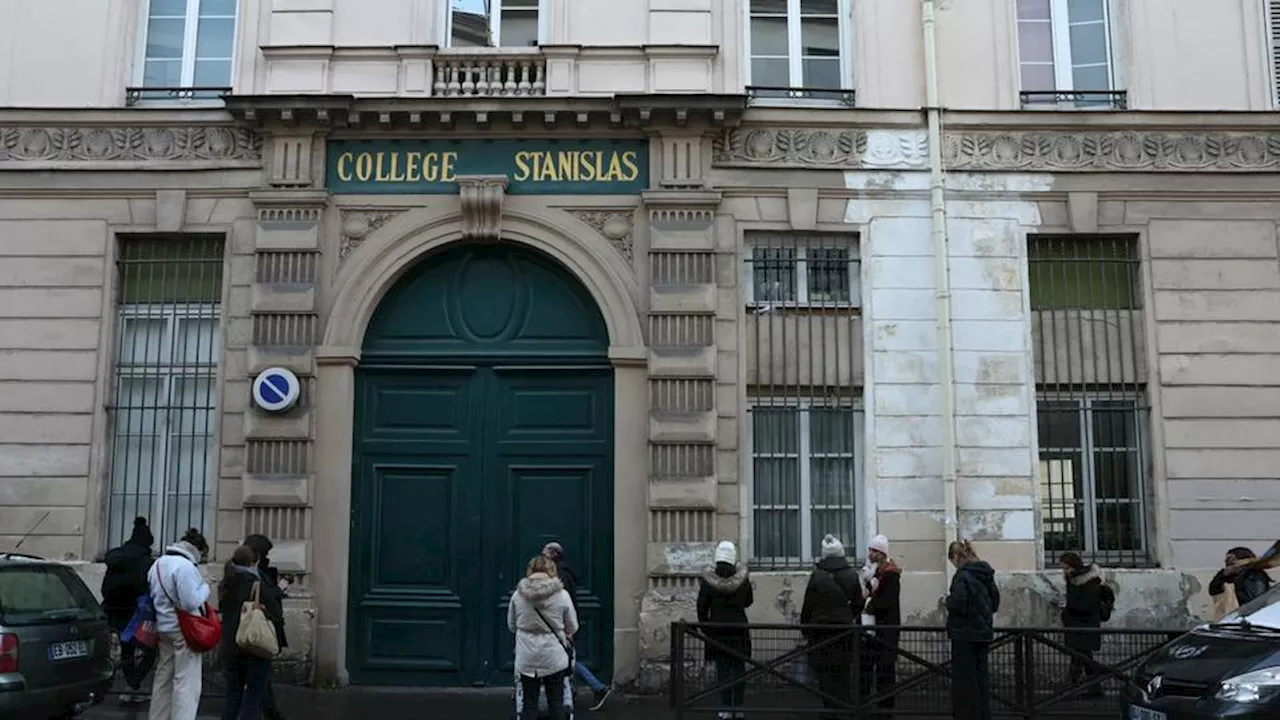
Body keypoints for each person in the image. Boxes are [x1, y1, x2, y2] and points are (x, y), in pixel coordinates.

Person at [148, 528, 211, 720]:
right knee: (186, 682)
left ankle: (157, 716)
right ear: (197, 550)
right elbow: (190, 602)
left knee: (163, 678)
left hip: (163, 627)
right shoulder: (185, 567)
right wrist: (205, 588)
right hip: (184, 631)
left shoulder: (157, 564)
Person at [543, 541, 612, 710]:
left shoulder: (559, 575)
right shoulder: (566, 572)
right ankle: (580, 689)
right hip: (566, 622)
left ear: (553, 554)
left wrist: (566, 627)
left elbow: (561, 604)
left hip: (561, 624)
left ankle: (597, 687)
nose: (542, 556)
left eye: (545, 553)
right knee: (568, 659)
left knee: (567, 661)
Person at [217, 545, 284, 720]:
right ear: (255, 562)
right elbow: (276, 614)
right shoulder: (257, 584)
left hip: (230, 647)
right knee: (252, 699)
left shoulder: (226, 583)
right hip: (253, 646)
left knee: (232, 699)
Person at [800, 534, 863, 720]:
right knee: (842, 673)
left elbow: (808, 605)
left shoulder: (817, 576)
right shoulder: (851, 575)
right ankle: (843, 709)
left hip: (820, 634)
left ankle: (829, 710)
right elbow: (858, 603)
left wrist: (805, 627)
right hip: (844, 633)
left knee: (825, 675)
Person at [509, 554, 579, 720]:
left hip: (527, 655)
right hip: (553, 655)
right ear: (552, 570)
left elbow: (512, 625)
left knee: (529, 703)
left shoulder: (518, 596)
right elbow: (572, 626)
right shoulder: (562, 595)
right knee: (556, 703)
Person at [102, 517, 157, 705]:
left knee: (127, 651)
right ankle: (134, 684)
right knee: (151, 649)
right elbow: (150, 588)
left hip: (115, 610)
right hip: (138, 612)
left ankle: (130, 687)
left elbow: (105, 587)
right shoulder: (146, 562)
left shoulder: (117, 558)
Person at [696, 541, 753, 720]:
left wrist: (707, 628)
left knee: (723, 669)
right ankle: (738, 707)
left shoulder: (708, 580)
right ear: (733, 557)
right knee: (738, 668)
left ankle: (725, 708)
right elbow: (748, 601)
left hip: (717, 631)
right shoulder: (742, 579)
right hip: (739, 630)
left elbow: (701, 608)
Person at [945, 539, 999, 720]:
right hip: (983, 633)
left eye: (952, 560)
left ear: (956, 557)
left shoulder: (962, 576)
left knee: (964, 681)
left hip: (964, 634)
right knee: (981, 677)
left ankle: (967, 715)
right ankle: (983, 714)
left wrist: (947, 601)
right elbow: (995, 602)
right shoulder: (985, 573)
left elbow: (959, 603)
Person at [244, 534, 288, 720]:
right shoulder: (256, 576)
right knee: (257, 680)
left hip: (242, 634)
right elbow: (271, 603)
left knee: (259, 679)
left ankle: (271, 711)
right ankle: (270, 713)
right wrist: (280, 589)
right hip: (257, 633)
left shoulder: (236, 574)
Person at [859, 534, 901, 717]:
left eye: (874, 551)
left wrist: (869, 605)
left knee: (885, 671)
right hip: (876, 630)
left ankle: (885, 710)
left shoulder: (890, 575)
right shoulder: (877, 572)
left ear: (882, 554)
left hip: (886, 631)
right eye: (870, 550)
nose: (870, 553)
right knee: (868, 667)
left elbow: (885, 601)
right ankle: (867, 705)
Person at [1059, 552, 1105, 697]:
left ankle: (1069, 690)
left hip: (1085, 626)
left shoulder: (1089, 582)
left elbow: (1087, 605)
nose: (1064, 571)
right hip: (1078, 626)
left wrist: (1068, 609)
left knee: (1080, 658)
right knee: (1084, 658)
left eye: (1067, 568)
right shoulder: (1073, 579)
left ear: (1074, 567)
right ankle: (1094, 688)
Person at [1209, 546, 1275, 606]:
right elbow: (1213, 590)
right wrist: (1222, 574)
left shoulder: (1253, 576)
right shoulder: (1233, 577)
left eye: (1230, 558)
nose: (1226, 561)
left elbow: (1256, 602)